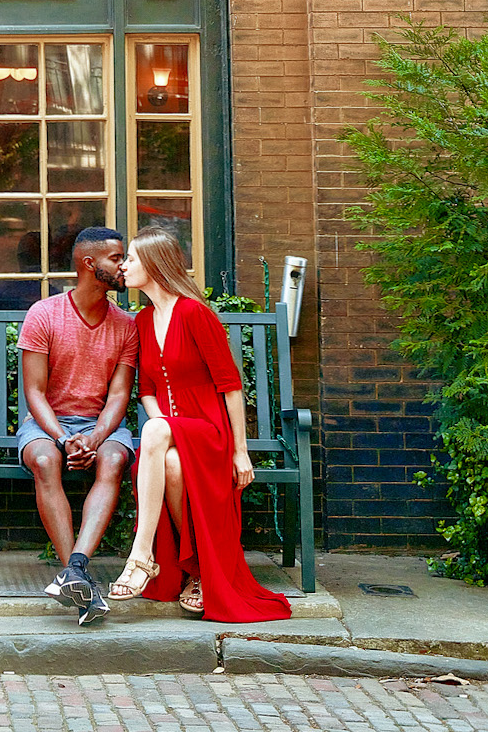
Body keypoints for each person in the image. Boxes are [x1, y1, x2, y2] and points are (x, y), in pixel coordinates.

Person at [110, 228, 292, 624]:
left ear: (155, 265)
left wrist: (241, 452)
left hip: (210, 432)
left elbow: (230, 386)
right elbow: (148, 390)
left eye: (133, 260)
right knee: (169, 461)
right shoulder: (142, 320)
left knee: (155, 432)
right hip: (174, 433)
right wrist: (164, 428)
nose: (124, 266)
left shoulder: (195, 314)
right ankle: (196, 573)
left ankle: (141, 556)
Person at [15, 226, 138, 627]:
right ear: (90, 264)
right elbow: (34, 392)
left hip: (101, 426)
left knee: (115, 460)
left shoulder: (126, 325)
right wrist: (64, 438)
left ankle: (75, 570)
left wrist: (96, 436)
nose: (124, 266)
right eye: (117, 258)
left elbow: (119, 395)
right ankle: (78, 575)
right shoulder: (44, 314)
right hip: (48, 424)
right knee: (46, 461)